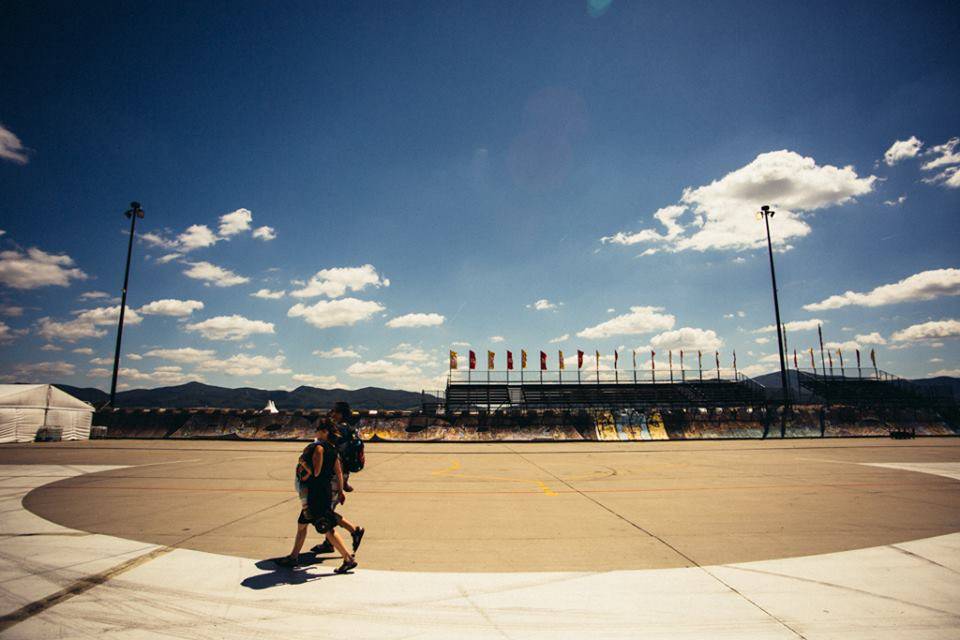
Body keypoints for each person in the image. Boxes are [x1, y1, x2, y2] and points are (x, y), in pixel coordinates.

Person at [277, 422, 361, 574]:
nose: (315, 432)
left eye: (318, 430)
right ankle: (293, 556)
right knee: (302, 524)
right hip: (325, 491)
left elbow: (316, 472)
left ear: (324, 432)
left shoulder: (319, 448)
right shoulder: (333, 450)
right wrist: (340, 491)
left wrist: (303, 462)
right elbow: (339, 472)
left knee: (327, 528)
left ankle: (348, 559)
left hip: (316, 493)